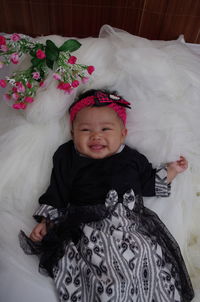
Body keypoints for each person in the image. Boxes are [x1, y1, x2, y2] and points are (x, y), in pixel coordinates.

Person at [19, 89, 194, 302]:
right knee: (100, 268)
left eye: (105, 129)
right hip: (87, 228)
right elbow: (58, 190)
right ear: (73, 133)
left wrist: (171, 171)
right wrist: (47, 221)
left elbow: (148, 185)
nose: (96, 136)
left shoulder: (132, 158)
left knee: (147, 253)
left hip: (132, 226)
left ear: (122, 133)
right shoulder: (67, 157)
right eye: (85, 130)